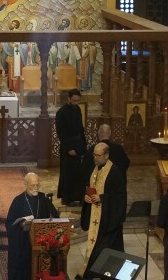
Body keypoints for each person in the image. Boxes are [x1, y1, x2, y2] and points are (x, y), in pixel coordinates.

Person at [78, 142, 126, 279]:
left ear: (106, 155)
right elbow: (90, 188)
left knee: (103, 250)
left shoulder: (115, 172)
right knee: (98, 249)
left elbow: (120, 196)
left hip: (108, 219)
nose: (95, 158)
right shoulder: (95, 169)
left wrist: (102, 198)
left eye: (98, 155)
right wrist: (86, 197)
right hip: (96, 216)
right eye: (94, 154)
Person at [6, 172, 59, 280]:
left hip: (40, 240)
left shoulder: (43, 199)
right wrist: (21, 224)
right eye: (32, 185)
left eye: (37, 185)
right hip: (24, 241)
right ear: (25, 184)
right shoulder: (18, 201)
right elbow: (9, 222)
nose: (35, 188)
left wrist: (50, 219)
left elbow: (55, 216)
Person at [56, 89, 86, 206]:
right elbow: (61, 133)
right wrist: (69, 148)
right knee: (68, 173)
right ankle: (67, 198)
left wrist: (84, 144)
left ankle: (78, 196)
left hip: (78, 145)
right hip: (68, 147)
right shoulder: (61, 113)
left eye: (78, 101)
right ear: (69, 99)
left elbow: (80, 128)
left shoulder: (78, 109)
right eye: (74, 100)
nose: (76, 103)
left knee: (78, 172)